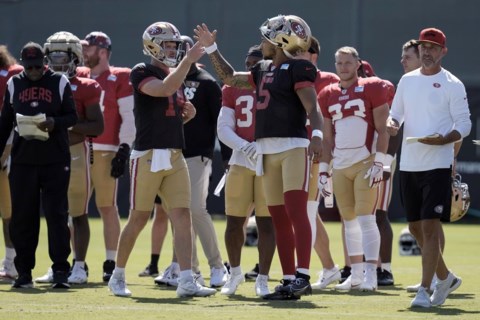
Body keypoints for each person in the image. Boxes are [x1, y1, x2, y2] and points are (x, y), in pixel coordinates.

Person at [195, 14, 323, 300]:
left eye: (266, 38)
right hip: (266, 150)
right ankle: (289, 279)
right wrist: (212, 49)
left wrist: (317, 136)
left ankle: (302, 275)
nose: (262, 43)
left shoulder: (299, 67)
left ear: (280, 41)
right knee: (278, 215)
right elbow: (229, 78)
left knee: (295, 211)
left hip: (292, 146)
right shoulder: (263, 68)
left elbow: (313, 109)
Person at [107, 21, 216, 298]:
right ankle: (117, 275)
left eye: (174, 45)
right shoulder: (141, 71)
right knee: (139, 217)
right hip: (148, 155)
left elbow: (171, 106)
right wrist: (188, 62)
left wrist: (186, 114)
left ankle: (186, 279)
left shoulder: (173, 73)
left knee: (182, 215)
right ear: (153, 46)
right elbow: (163, 89)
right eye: (168, 44)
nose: (173, 49)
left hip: (175, 153)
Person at [387, 27, 470, 308]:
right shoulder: (407, 81)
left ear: (443, 51)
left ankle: (425, 289)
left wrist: (445, 140)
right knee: (414, 226)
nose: (427, 51)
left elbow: (464, 123)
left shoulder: (453, 84)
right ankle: (445, 277)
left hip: (437, 163)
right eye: (423, 46)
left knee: (430, 226)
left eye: (433, 47)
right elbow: (395, 114)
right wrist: (392, 123)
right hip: (409, 163)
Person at [153, 35, 229, 288]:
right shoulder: (166, 79)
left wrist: (225, 156)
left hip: (197, 153)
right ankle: (187, 269)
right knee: (177, 213)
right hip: (171, 153)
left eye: (180, 48)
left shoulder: (207, 83)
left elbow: (220, 123)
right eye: (171, 47)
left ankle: (217, 266)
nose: (175, 52)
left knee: (196, 209)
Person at [0, 42, 78, 288]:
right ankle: (24, 273)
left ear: (44, 62)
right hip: (23, 160)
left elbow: (73, 117)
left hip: (55, 159)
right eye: (29, 66)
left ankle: (61, 272)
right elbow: (4, 123)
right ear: (23, 64)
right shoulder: (14, 84)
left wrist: (54, 122)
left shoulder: (59, 82)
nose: (34, 71)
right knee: (23, 217)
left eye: (37, 66)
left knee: (56, 215)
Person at [317, 46, 390, 292]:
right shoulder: (327, 93)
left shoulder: (372, 87)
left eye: (348, 63)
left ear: (358, 63)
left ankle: (372, 273)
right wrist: (324, 170)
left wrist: (380, 161)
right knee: (348, 221)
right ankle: (356, 273)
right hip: (340, 164)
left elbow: (383, 129)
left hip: (366, 161)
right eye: (339, 63)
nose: (343, 67)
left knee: (367, 218)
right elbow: (327, 139)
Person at [37, 31, 104, 285]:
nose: (56, 62)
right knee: (55, 214)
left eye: (62, 56)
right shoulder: (42, 85)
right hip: (47, 153)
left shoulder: (86, 86)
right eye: (52, 56)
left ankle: (79, 265)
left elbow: (97, 126)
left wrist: (63, 124)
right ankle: (59, 265)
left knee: (78, 212)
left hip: (76, 153)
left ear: (75, 57)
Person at [216, 44, 275, 297]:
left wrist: (263, 146)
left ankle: (262, 276)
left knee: (266, 224)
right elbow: (223, 127)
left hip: (269, 160)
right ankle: (236, 272)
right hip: (241, 161)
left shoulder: (277, 86)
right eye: (248, 64)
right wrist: (244, 146)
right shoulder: (231, 87)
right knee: (234, 222)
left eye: (256, 64)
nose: (250, 69)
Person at [77, 31, 135, 282]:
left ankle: (111, 261)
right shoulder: (78, 76)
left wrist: (124, 148)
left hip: (106, 149)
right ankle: (77, 262)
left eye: (88, 48)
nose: (83, 53)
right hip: (79, 148)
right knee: (74, 208)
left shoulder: (119, 77)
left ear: (102, 51)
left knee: (107, 207)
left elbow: (129, 116)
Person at [297, 36, 342, 290]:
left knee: (307, 211)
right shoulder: (289, 75)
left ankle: (299, 271)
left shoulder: (329, 81)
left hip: (317, 152)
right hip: (294, 150)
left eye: (299, 51)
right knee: (306, 212)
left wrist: (329, 155)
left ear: (313, 55)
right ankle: (329, 268)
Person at [0, 45, 23, 280]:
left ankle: (11, 262)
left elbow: (10, 116)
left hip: (6, 153)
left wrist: (6, 149)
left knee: (9, 212)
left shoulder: (11, 75)